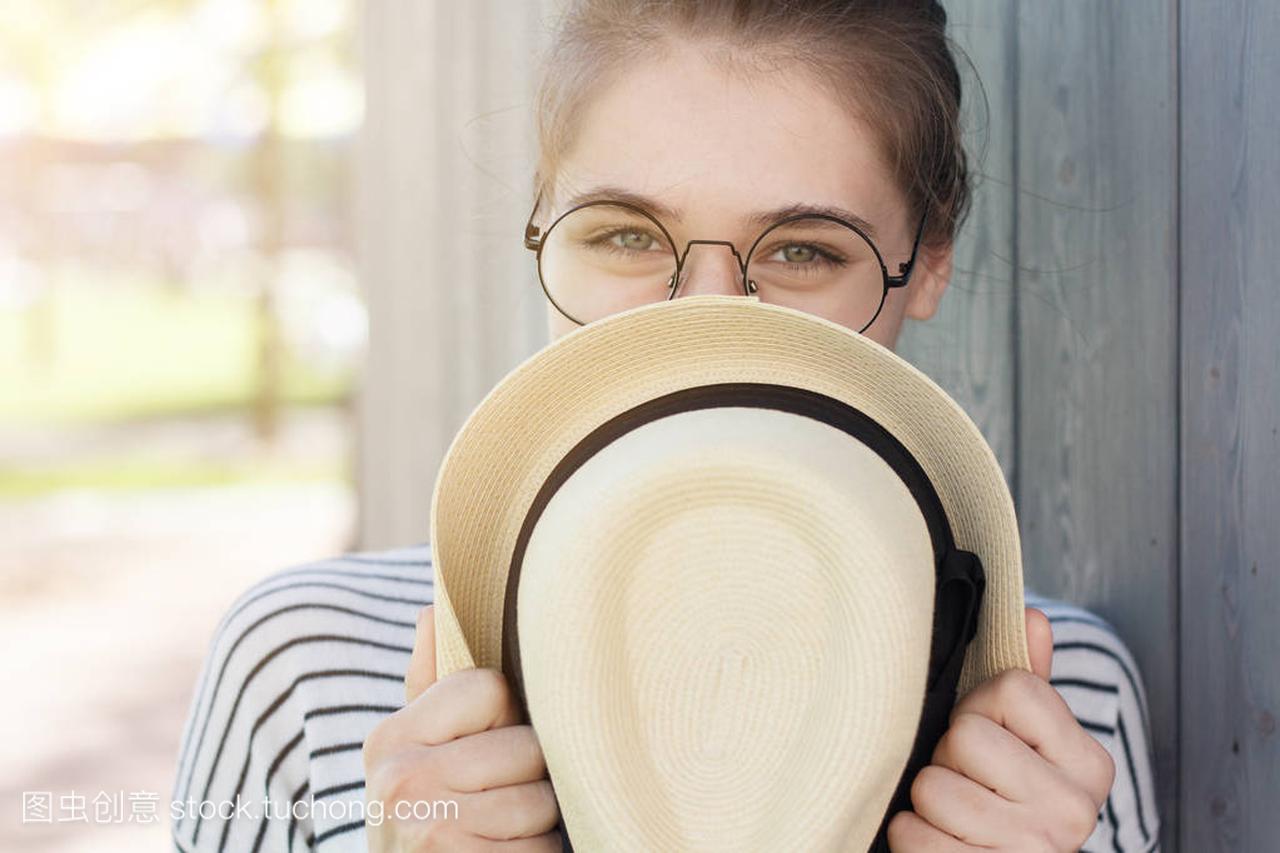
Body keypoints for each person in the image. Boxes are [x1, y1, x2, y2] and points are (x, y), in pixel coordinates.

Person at [170, 2, 1160, 851]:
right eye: (627, 235)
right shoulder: (299, 665)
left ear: (928, 258)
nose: (707, 311)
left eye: (806, 250)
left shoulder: (1055, 717)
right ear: (539, 223)